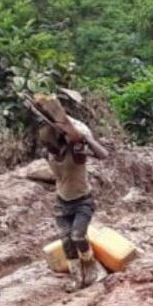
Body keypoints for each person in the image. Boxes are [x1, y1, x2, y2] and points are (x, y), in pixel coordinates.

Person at [34, 95, 109, 292]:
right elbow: (58, 176)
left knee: (78, 237)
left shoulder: (76, 153)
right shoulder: (47, 154)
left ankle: (93, 271)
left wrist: (86, 139)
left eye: (49, 140)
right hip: (62, 203)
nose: (46, 143)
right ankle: (77, 278)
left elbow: (103, 155)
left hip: (83, 201)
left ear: (59, 139)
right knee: (66, 241)